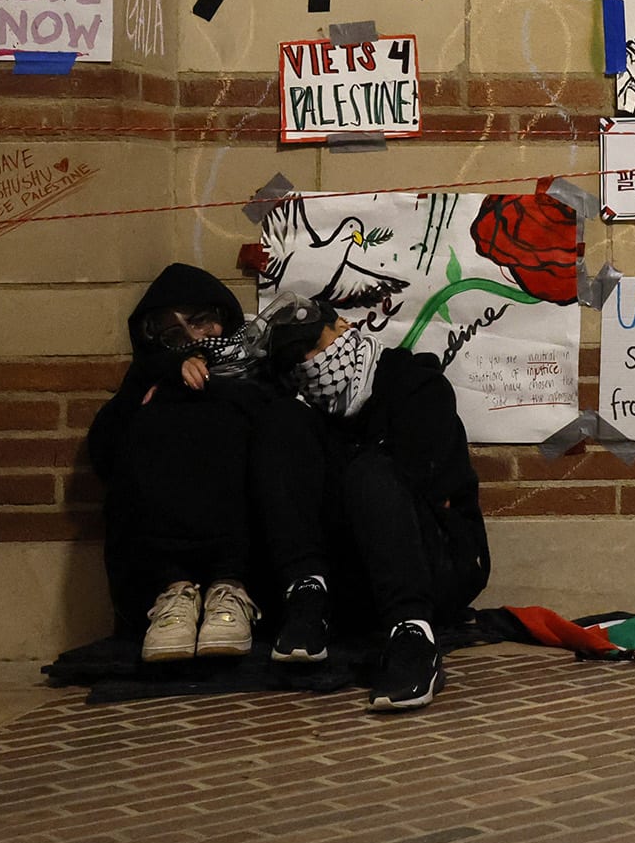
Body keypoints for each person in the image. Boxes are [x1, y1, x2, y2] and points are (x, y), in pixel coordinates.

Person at [251, 297, 490, 712]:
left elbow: (424, 487)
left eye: (314, 345)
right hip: (353, 577)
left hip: (434, 563)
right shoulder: (307, 415)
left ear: (344, 327)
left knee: (369, 473)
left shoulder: (415, 385)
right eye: (297, 360)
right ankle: (307, 596)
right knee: (281, 425)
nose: (310, 362)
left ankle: (413, 637)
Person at [86, 265, 264, 663]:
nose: (195, 340)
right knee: (153, 424)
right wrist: (161, 374)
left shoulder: (255, 367)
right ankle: (174, 591)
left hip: (238, 547)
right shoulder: (149, 383)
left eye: (201, 322)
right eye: (175, 336)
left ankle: (229, 588)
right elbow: (104, 450)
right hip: (163, 553)